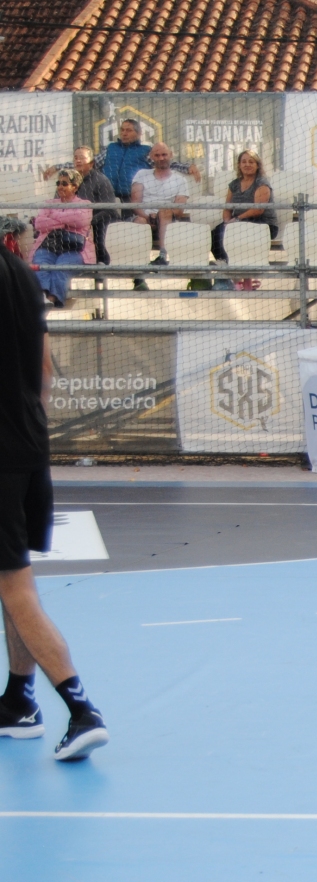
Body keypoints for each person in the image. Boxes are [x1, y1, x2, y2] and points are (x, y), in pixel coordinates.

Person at [0, 247, 108, 761]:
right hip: (28, 442)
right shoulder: (21, 272)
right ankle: (19, 700)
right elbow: (44, 369)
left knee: (15, 587)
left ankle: (81, 710)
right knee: (12, 575)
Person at [210, 149, 275, 291]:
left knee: (239, 234)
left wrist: (237, 219)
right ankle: (228, 271)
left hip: (262, 224)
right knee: (216, 234)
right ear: (239, 165)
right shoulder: (234, 184)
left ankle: (244, 275)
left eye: (251, 162)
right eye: (244, 162)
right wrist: (227, 222)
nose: (247, 165)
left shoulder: (262, 183)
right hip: (238, 223)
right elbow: (227, 208)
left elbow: (258, 209)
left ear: (257, 165)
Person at [30, 171, 93, 309]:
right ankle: (43, 296)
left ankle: (52, 299)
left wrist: (53, 217)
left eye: (64, 183)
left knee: (60, 268)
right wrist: (65, 223)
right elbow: (39, 223)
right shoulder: (49, 203)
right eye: (58, 183)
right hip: (49, 245)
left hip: (74, 248)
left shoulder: (85, 204)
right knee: (40, 265)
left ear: (75, 187)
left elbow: (80, 220)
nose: (60, 186)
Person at [130, 142, 191, 250]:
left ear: (171, 155)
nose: (161, 158)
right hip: (144, 216)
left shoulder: (181, 180)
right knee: (139, 221)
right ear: (151, 156)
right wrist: (148, 217)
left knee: (164, 213)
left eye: (164, 154)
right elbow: (135, 203)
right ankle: (139, 256)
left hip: (168, 218)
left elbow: (179, 210)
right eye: (157, 155)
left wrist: (159, 215)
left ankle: (163, 254)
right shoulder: (141, 174)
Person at [97, 119, 151, 210]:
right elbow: (92, 164)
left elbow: (163, 164)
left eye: (129, 130)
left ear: (139, 134)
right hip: (107, 197)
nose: (124, 133)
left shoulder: (146, 151)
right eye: (122, 130)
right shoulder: (111, 148)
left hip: (132, 199)